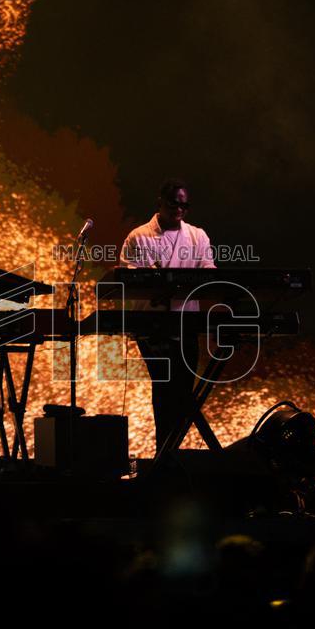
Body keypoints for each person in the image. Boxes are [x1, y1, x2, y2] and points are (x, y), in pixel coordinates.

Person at [120, 178, 216, 452]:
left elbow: (209, 271)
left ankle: (171, 452)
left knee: (185, 391)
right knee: (165, 389)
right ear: (160, 202)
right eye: (175, 203)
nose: (180, 209)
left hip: (186, 323)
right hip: (152, 326)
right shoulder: (138, 237)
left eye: (185, 205)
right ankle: (166, 451)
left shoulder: (198, 236)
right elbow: (127, 278)